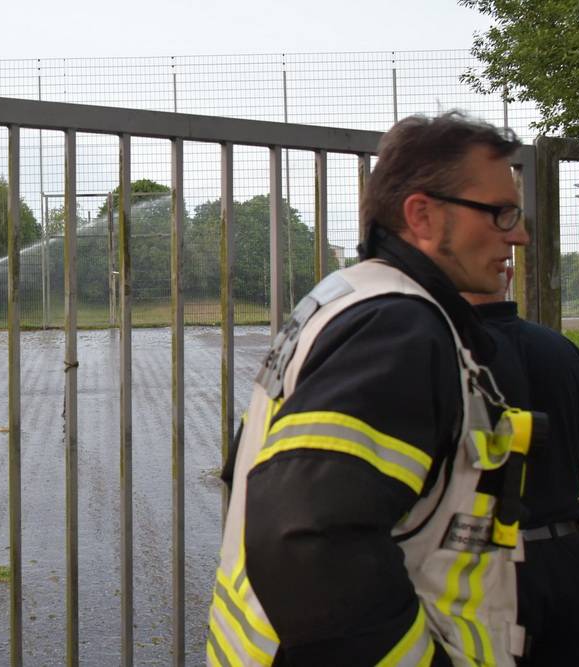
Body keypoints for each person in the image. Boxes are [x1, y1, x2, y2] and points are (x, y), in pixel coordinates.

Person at [208, 112, 533, 666]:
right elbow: (306, 537)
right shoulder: (399, 330)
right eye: (501, 213)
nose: (519, 235)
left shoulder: (345, 297)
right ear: (423, 216)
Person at [463, 268, 579, 665]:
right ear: (512, 275)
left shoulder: (449, 356)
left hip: (478, 565)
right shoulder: (562, 351)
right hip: (566, 557)